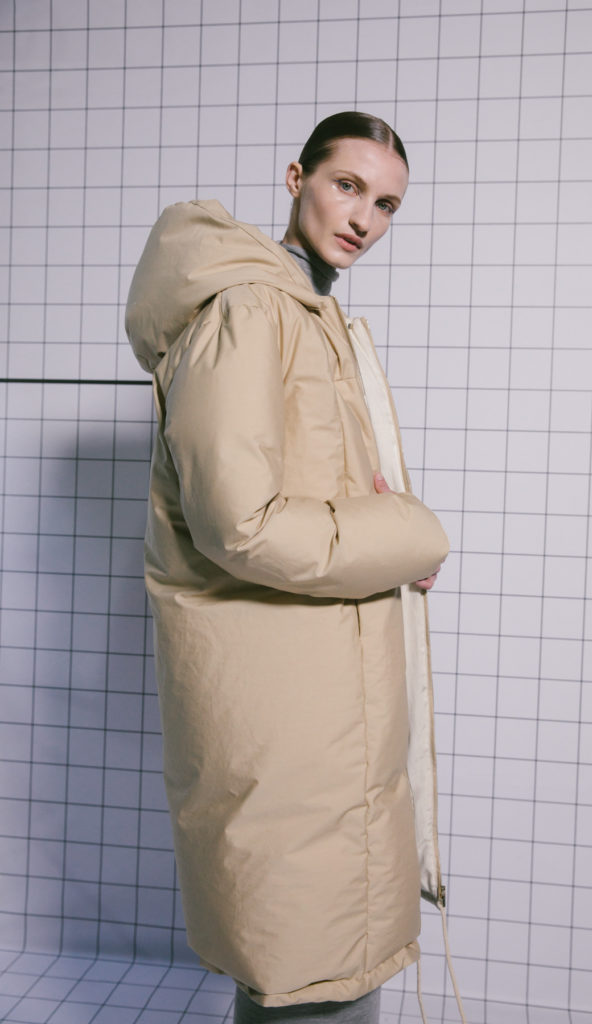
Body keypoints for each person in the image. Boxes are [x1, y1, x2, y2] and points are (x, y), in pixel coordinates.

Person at [125, 112, 450, 1024]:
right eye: (347, 186)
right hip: (288, 705)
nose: (364, 219)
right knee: (307, 967)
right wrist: (409, 533)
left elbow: (323, 497)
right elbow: (240, 524)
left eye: (386, 204)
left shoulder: (313, 313)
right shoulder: (251, 308)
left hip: (326, 697)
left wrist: (382, 534)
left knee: (327, 963)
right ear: (295, 176)